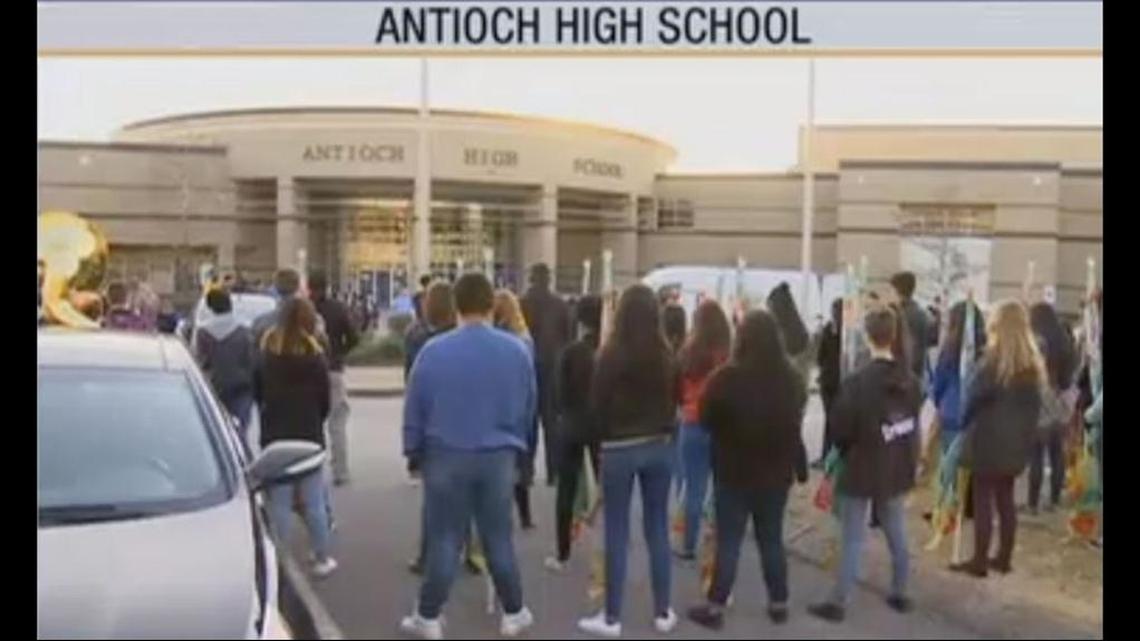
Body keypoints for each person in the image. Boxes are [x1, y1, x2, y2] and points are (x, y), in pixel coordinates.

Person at [400, 272, 536, 640]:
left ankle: (428, 615)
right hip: (498, 454)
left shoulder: (433, 351)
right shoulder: (516, 351)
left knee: (445, 538)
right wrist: (525, 453)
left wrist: (413, 450)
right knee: (498, 538)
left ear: (456, 306)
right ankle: (513, 610)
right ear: (491, 304)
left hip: (445, 453)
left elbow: (415, 405)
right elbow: (528, 406)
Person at [687, 309, 809, 630]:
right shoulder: (792, 380)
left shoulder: (726, 378)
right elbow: (795, 425)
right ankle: (778, 601)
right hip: (775, 473)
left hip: (733, 471)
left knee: (729, 541)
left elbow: (705, 418)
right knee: (771, 539)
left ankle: (715, 606)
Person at [809, 306, 922, 623]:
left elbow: (842, 427)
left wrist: (840, 453)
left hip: (861, 465)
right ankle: (900, 591)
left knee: (852, 537)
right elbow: (912, 424)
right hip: (895, 463)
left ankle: (839, 600)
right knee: (897, 532)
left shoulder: (858, 381)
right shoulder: (909, 380)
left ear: (868, 337)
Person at [579, 284, 678, 638]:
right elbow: (675, 400)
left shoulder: (611, 354)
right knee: (657, 529)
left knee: (617, 531)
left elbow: (596, 403)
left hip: (620, 446)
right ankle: (663, 612)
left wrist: (604, 438)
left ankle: (612, 617)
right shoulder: (667, 355)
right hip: (660, 445)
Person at [950, 301, 1044, 578]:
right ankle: (1003, 556)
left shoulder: (991, 364)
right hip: (1016, 443)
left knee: (982, 501)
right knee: (1005, 499)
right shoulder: (1032, 367)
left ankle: (979, 559)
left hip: (987, 441)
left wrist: (962, 423)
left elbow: (971, 399)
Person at [254, 297, 337, 578]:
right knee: (314, 501)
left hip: (276, 435)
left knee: (280, 502)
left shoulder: (267, 353)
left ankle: (279, 560)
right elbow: (325, 400)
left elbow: (258, 392)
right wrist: (316, 420)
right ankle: (322, 558)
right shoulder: (316, 356)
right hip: (308, 435)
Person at [545, 294, 603, 572]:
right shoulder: (608, 350)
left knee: (565, 491)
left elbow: (558, 393)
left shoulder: (570, 352)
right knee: (608, 490)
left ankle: (562, 552)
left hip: (571, 423)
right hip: (602, 426)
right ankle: (607, 548)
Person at [675, 299, 731, 561]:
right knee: (721, 487)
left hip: (692, 422)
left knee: (693, 486)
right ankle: (719, 543)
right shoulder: (726, 354)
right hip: (721, 425)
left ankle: (688, 545)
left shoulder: (689, 352)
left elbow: (676, 388)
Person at [520, 263, 572, 486]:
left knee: (527, 420)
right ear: (548, 279)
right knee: (552, 422)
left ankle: (527, 470)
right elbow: (568, 337)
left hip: (527, 364)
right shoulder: (560, 305)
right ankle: (554, 472)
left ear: (531, 278)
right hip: (553, 366)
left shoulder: (521, 304)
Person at [309, 271, 361, 487]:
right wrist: (340, 352)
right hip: (333, 369)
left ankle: (310, 473)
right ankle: (340, 471)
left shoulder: (304, 310)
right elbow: (354, 337)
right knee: (337, 423)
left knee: (311, 424)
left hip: (309, 370)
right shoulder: (338, 308)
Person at [493, 289, 539, 530]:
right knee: (520, 463)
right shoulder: (524, 339)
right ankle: (525, 516)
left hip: (497, 408)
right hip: (519, 408)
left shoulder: (495, 339)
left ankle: (502, 515)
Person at [1026, 302, 1076, 514]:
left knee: (1036, 453)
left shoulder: (1037, 342)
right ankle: (1054, 500)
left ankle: (1033, 502)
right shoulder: (1065, 341)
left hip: (1040, 399)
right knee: (1057, 454)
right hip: (1061, 401)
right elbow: (1070, 375)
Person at [194, 288, 256, 438]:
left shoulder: (203, 332)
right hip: (241, 388)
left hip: (214, 387)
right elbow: (251, 361)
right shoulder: (244, 331)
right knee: (240, 432)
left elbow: (200, 361)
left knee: (217, 431)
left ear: (210, 308)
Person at [929, 301, 987, 455]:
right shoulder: (987, 352)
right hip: (978, 420)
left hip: (951, 414)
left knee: (950, 468)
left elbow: (937, 387)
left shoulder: (948, 351)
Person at [890, 272, 933, 388]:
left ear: (896, 290)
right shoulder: (922, 314)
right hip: (918, 373)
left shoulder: (894, 314)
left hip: (898, 373)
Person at [815, 298, 843, 467]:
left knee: (830, 420)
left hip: (828, 380)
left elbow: (820, 356)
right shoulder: (850, 332)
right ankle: (836, 455)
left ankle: (827, 455)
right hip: (843, 380)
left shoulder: (828, 329)